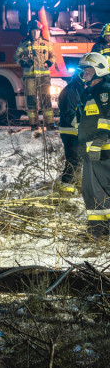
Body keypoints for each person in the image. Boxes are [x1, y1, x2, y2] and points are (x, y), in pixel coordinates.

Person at [76, 52, 110, 238]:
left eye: (87, 71)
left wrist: (98, 142)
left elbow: (107, 119)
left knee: (101, 190)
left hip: (102, 150)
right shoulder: (90, 92)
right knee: (91, 191)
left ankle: (101, 231)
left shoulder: (105, 91)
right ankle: (98, 230)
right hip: (91, 151)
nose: (84, 75)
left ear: (98, 70)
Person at [13, 19, 55, 130]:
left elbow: (53, 56)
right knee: (31, 101)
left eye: (37, 31)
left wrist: (50, 62)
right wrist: (22, 62)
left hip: (44, 78)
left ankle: (50, 124)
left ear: (40, 31)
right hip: (30, 78)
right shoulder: (23, 44)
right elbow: (16, 57)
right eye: (33, 31)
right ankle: (34, 124)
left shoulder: (46, 43)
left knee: (46, 101)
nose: (35, 33)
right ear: (29, 31)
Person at [56, 68, 85, 193]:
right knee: (73, 161)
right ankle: (66, 190)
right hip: (70, 131)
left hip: (75, 130)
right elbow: (69, 114)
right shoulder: (70, 91)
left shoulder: (79, 88)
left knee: (78, 160)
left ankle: (75, 186)